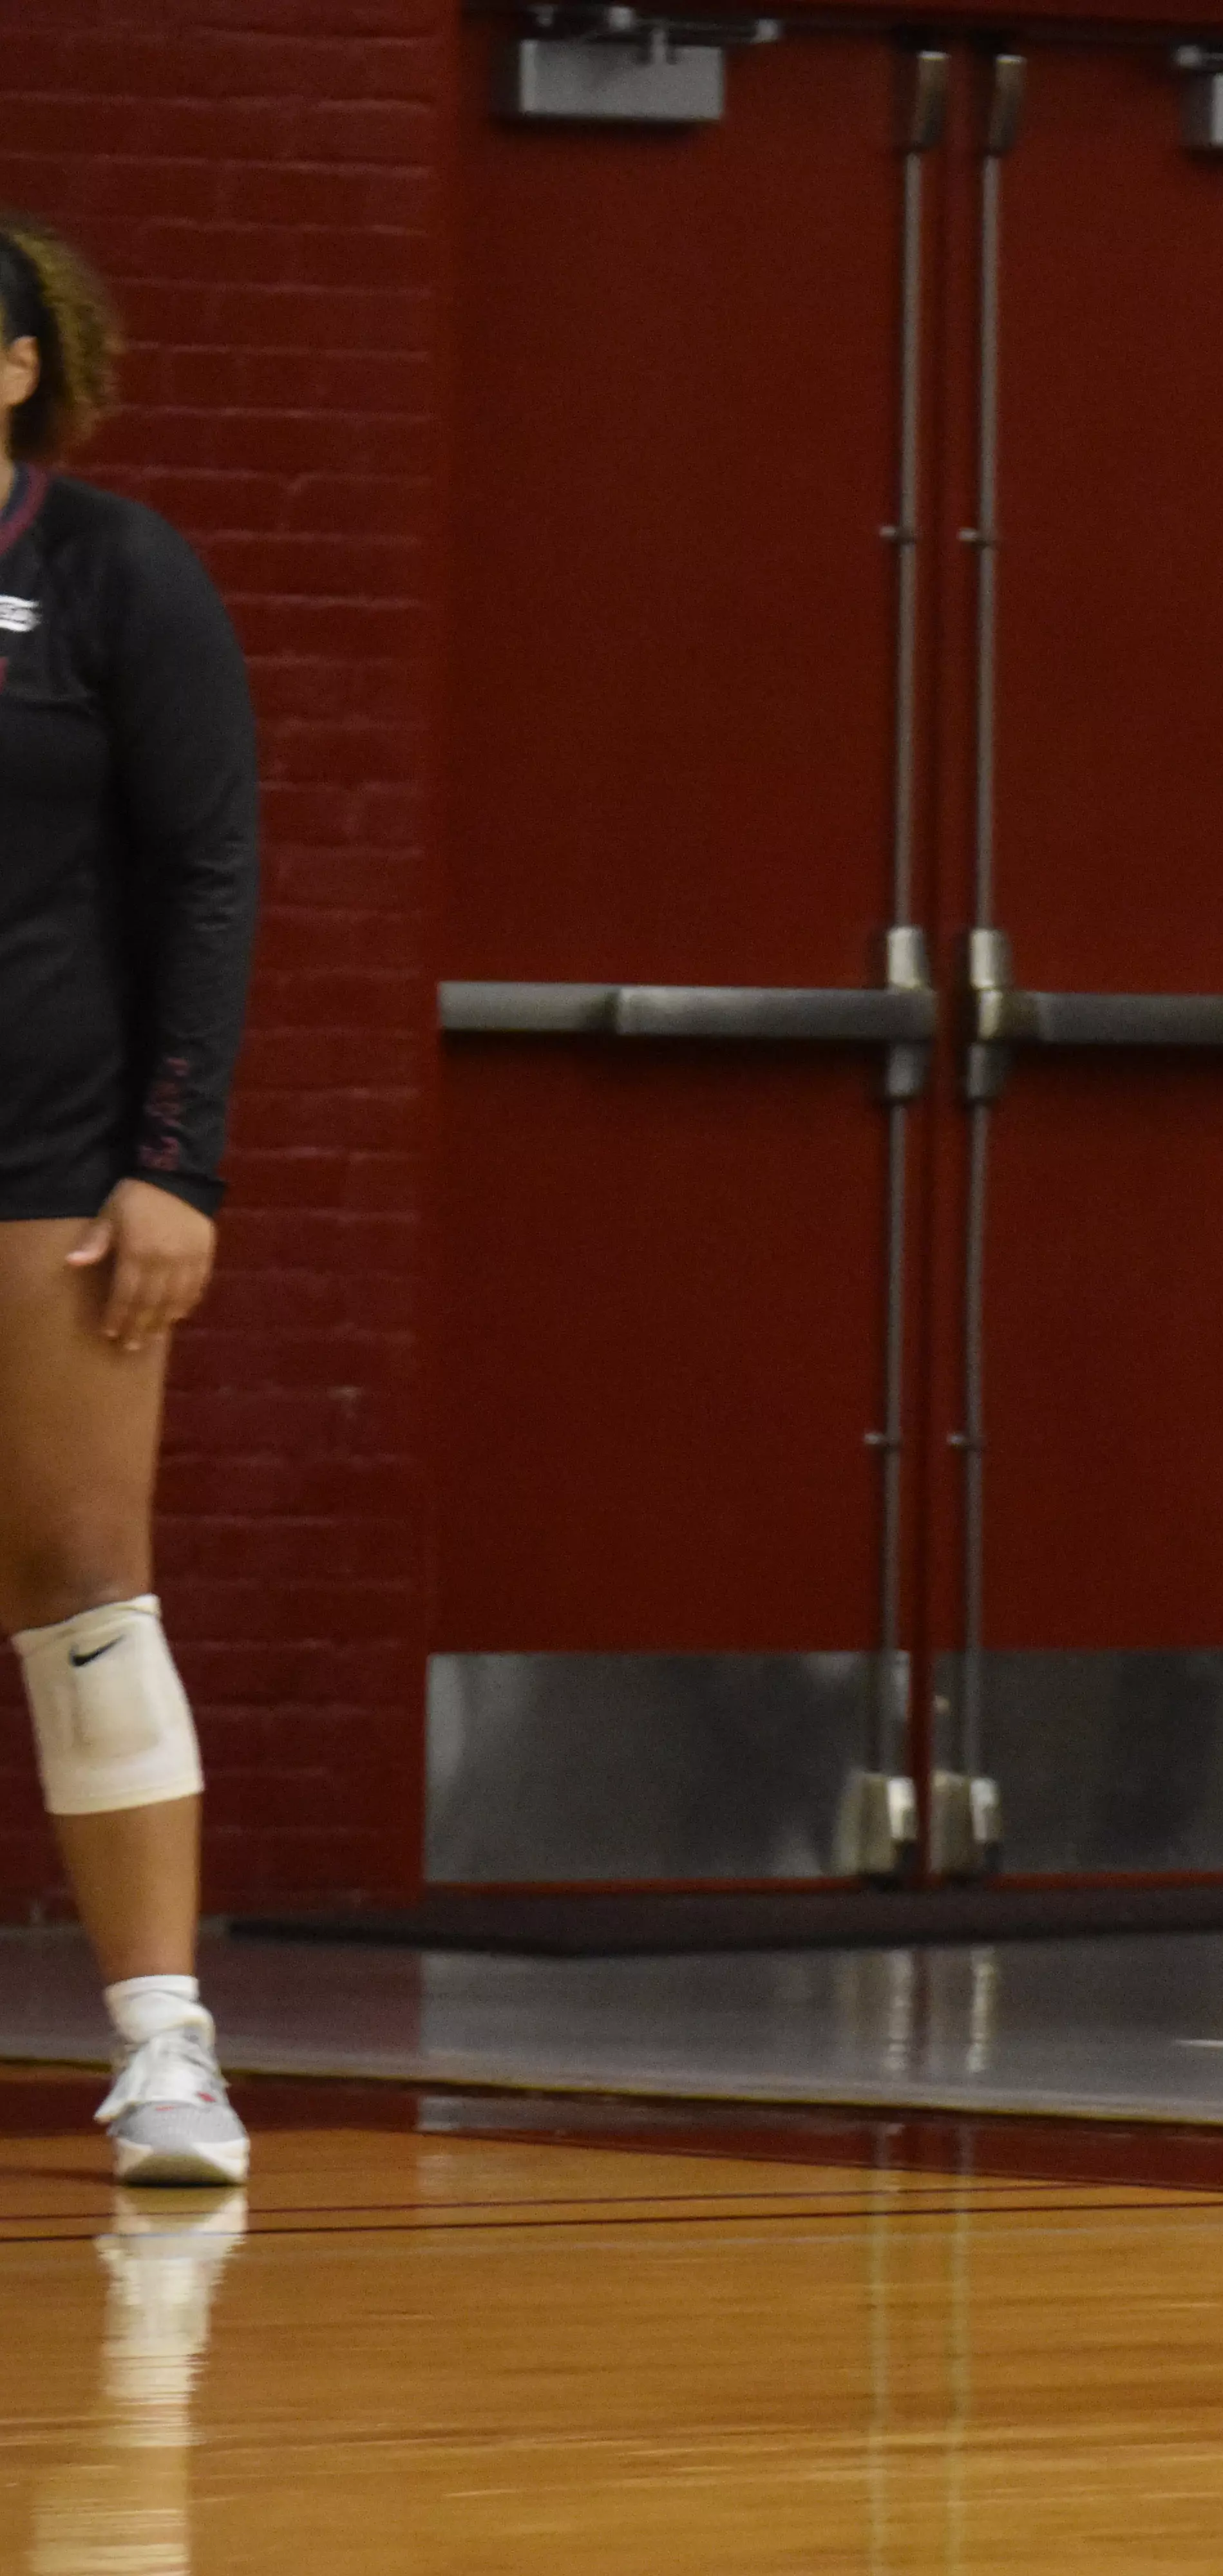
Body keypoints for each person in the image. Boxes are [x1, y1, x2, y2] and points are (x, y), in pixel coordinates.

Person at [0, 214, 262, 2187]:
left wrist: (172, 1165)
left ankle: (166, 2052)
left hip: (46, 1156)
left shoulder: (114, 575)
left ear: (19, 372)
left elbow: (207, 878)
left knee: (85, 1578)